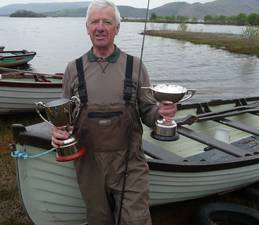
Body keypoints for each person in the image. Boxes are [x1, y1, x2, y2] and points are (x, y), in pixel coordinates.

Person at [51, 0, 177, 225]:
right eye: (94, 22)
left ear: (117, 28)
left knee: (136, 220)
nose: (100, 27)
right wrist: (58, 133)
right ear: (87, 28)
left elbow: (148, 111)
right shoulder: (73, 69)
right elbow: (65, 119)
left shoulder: (135, 66)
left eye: (107, 22)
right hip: (88, 163)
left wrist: (163, 114)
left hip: (130, 162)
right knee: (99, 220)